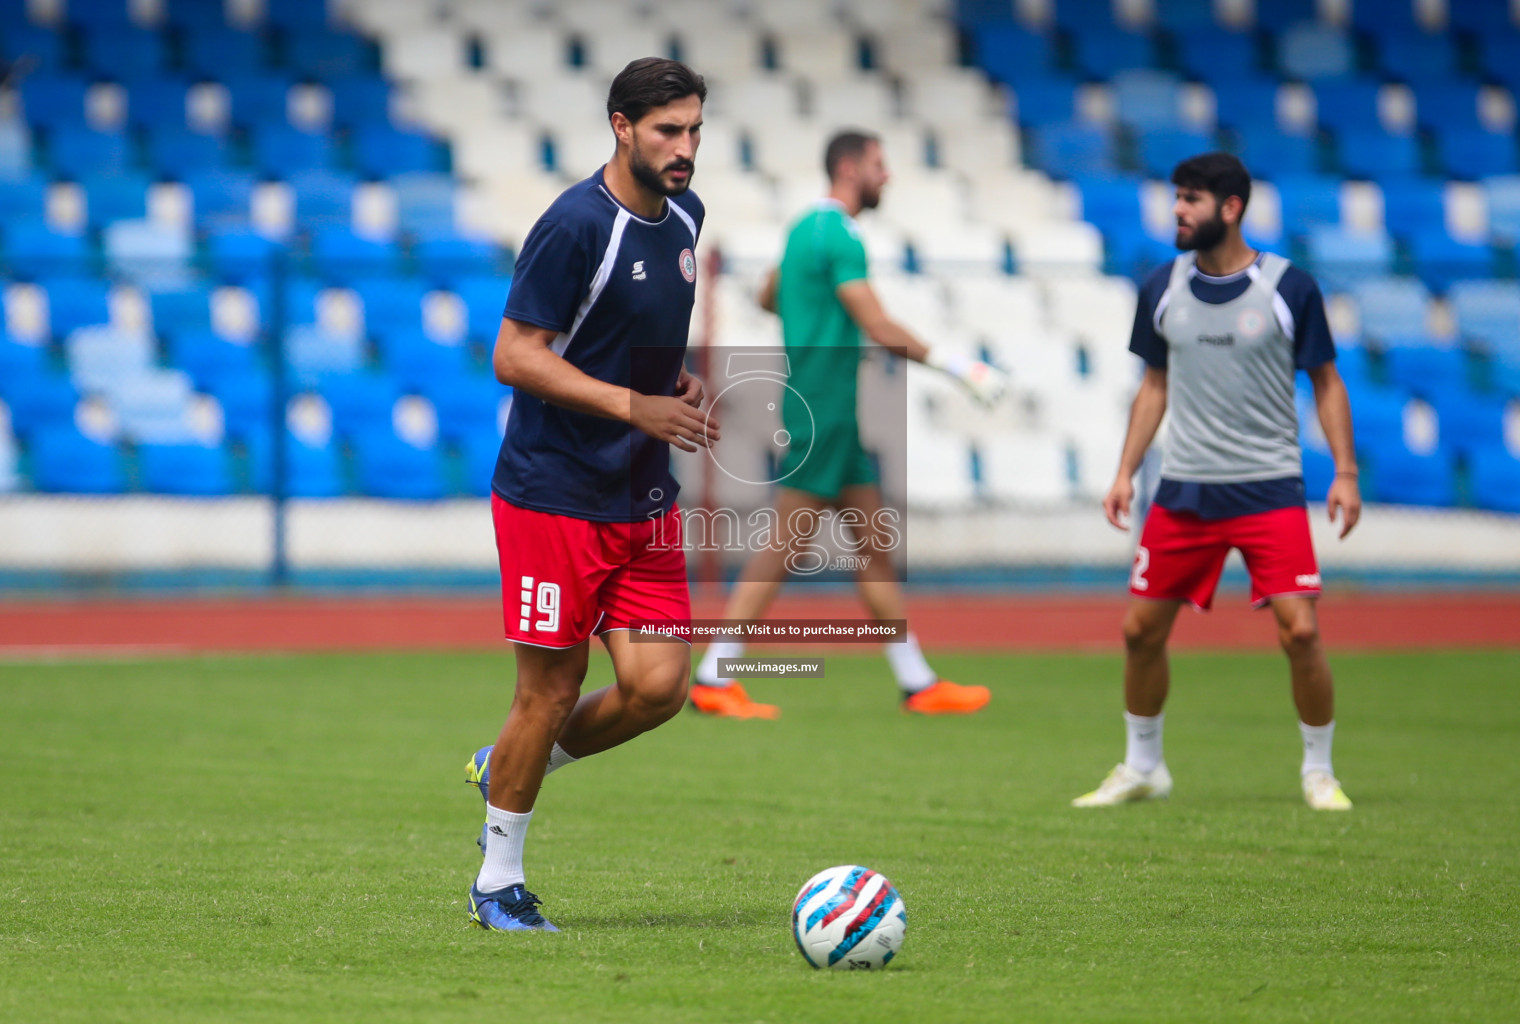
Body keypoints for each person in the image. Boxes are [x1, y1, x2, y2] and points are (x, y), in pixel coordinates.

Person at [462, 57, 715, 932]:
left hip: (639, 494)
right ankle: (498, 882)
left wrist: (667, 386)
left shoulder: (687, 215)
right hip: (555, 497)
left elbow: (632, 331)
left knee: (657, 689)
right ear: (621, 126)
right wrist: (631, 403)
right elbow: (516, 354)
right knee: (552, 691)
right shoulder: (574, 225)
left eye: (693, 130)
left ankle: (509, 764)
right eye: (666, 131)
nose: (684, 149)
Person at [1072, 152, 1362, 811]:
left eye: (1192, 199)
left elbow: (1327, 383)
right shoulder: (1161, 287)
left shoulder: (1291, 289)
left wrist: (1345, 472)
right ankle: (1144, 766)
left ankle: (1319, 771)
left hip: (1268, 489)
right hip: (1186, 491)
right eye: (1177, 197)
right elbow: (1154, 385)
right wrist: (1123, 471)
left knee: (1302, 633)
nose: (1178, 210)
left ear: (1231, 209)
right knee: (1140, 631)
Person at [689, 130, 1006, 719]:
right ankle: (713, 673)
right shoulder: (842, 235)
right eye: (880, 165)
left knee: (871, 547)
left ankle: (917, 681)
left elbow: (767, 295)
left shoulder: (802, 229)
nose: (887, 177)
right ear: (850, 167)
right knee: (784, 547)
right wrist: (963, 368)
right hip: (825, 413)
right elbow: (879, 326)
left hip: (826, 411)